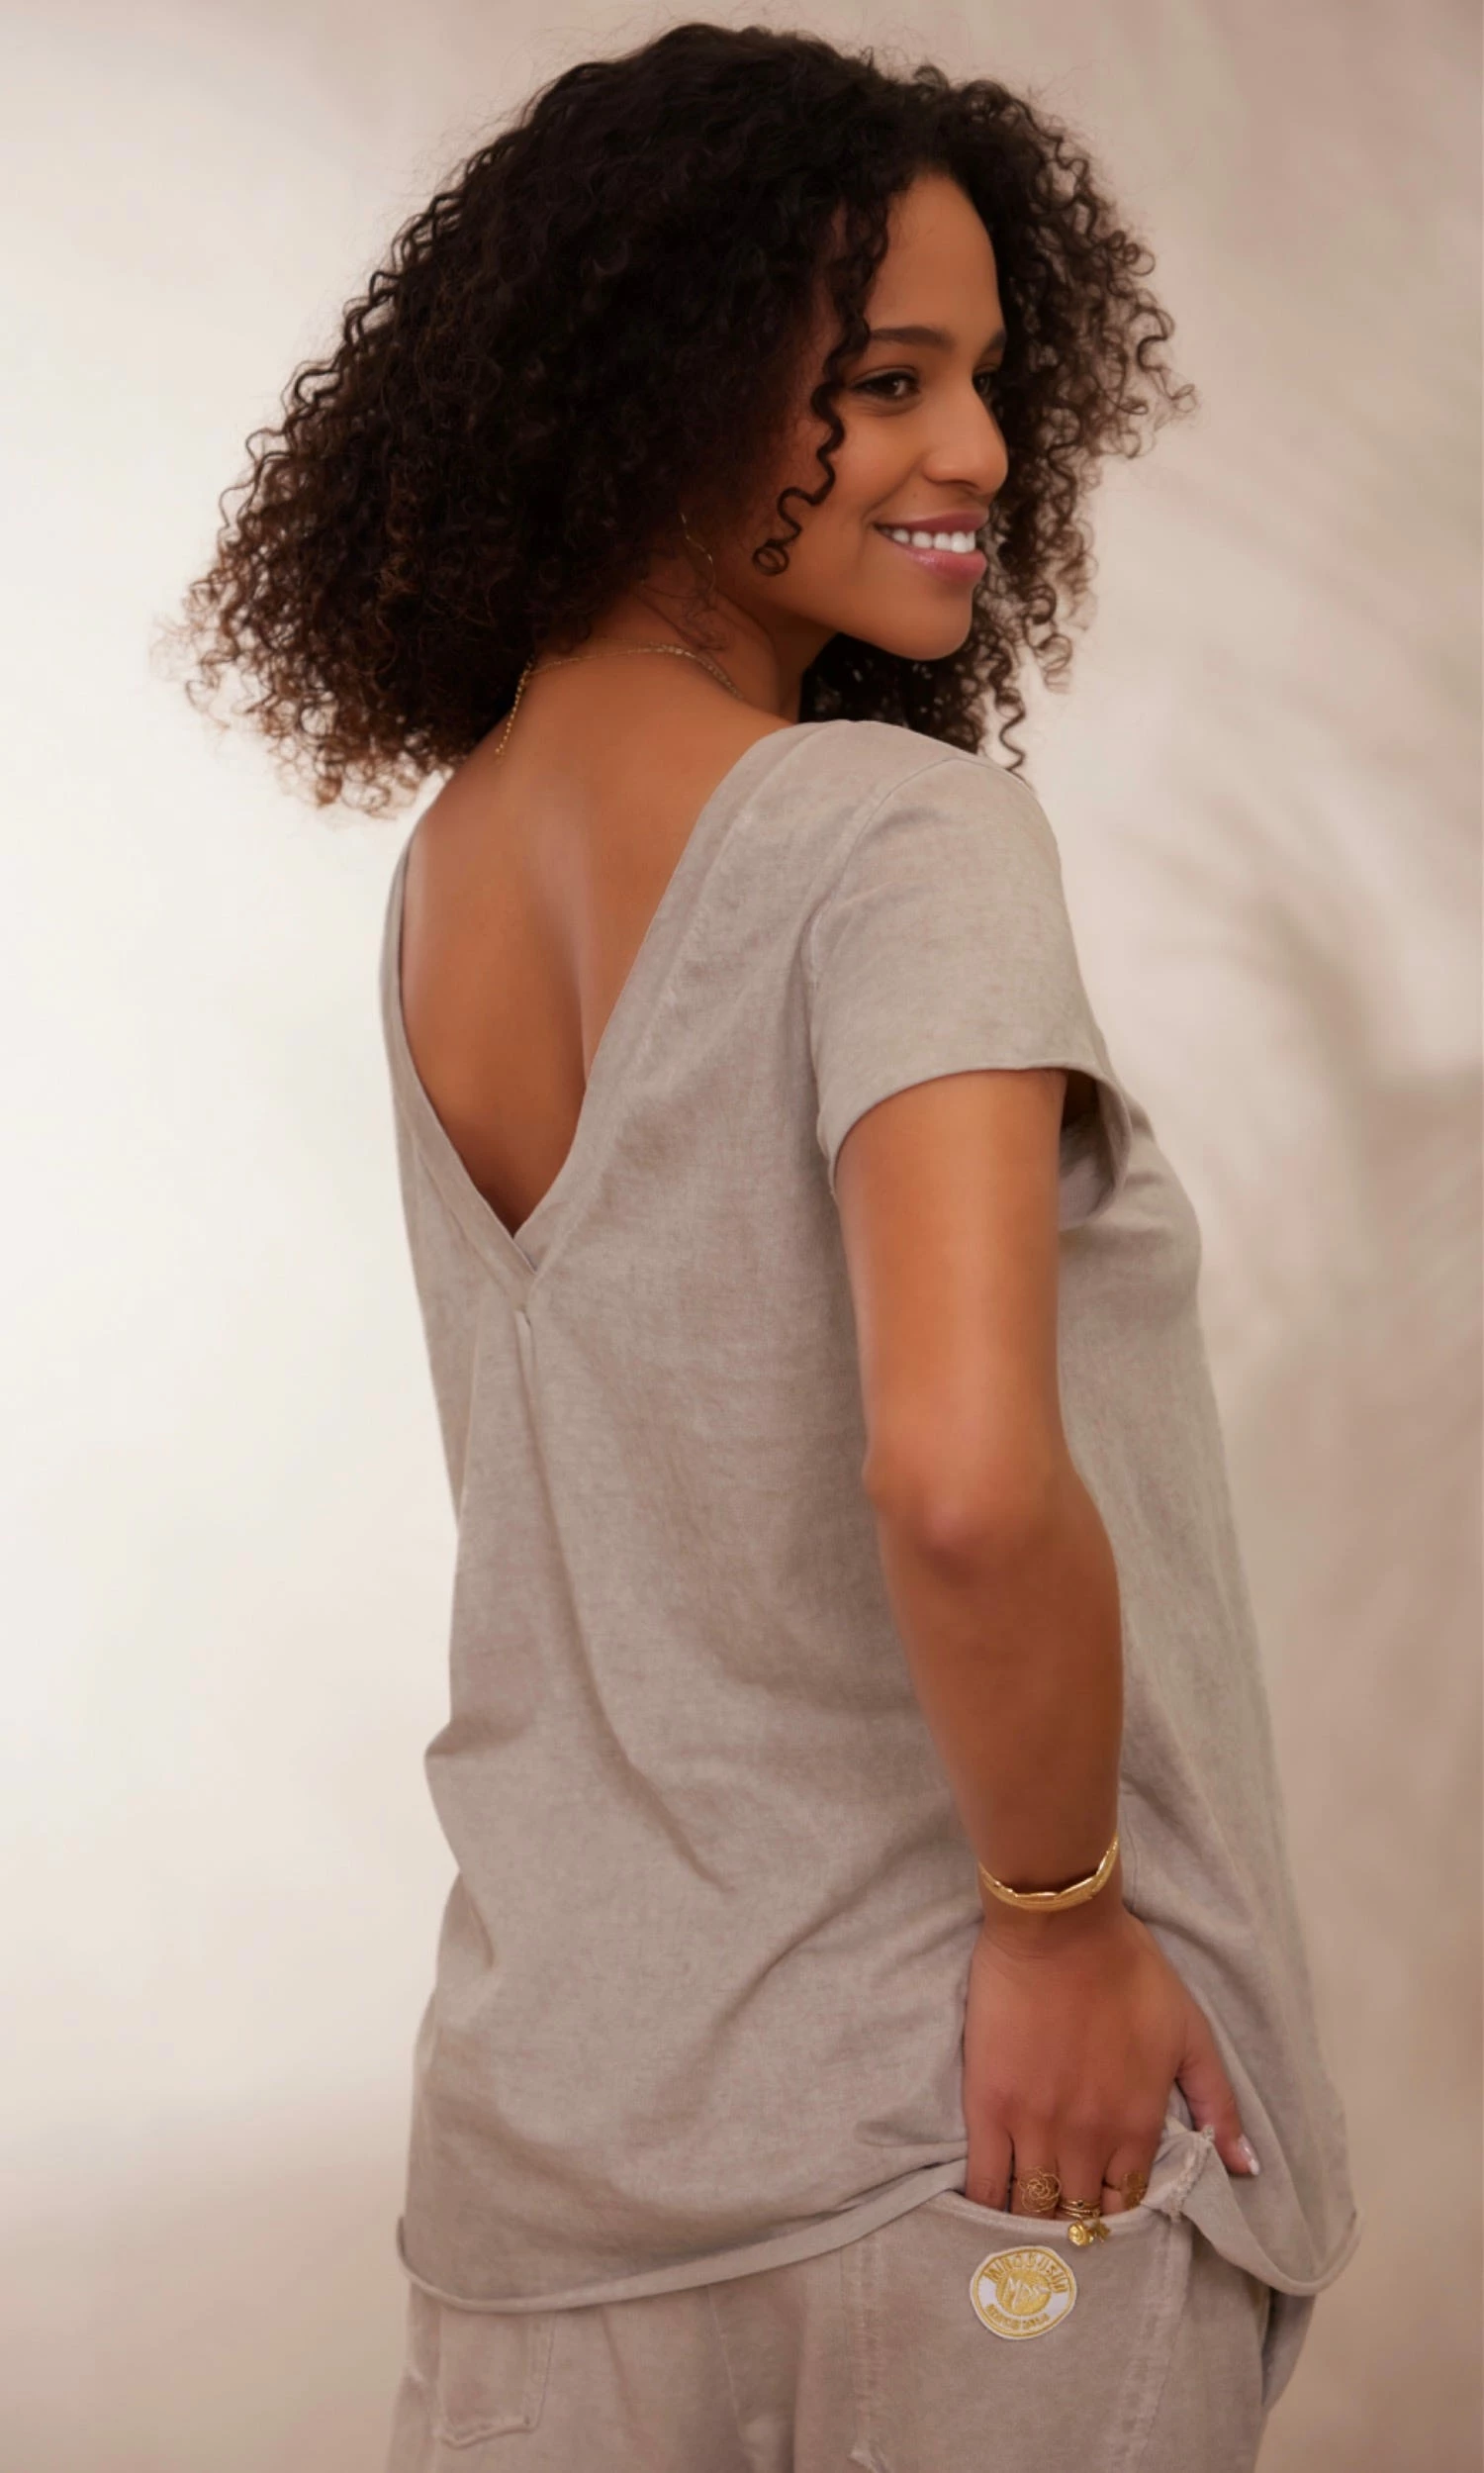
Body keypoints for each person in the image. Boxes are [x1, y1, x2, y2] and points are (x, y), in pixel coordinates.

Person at [171, 22, 1360, 2470]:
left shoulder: (454, 870)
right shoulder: (891, 838)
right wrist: (1058, 1924)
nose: (981, 453)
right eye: (887, 383)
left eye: (988, 380)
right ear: (656, 389)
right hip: (970, 2136)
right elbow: (961, 1476)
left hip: (550, 2167)